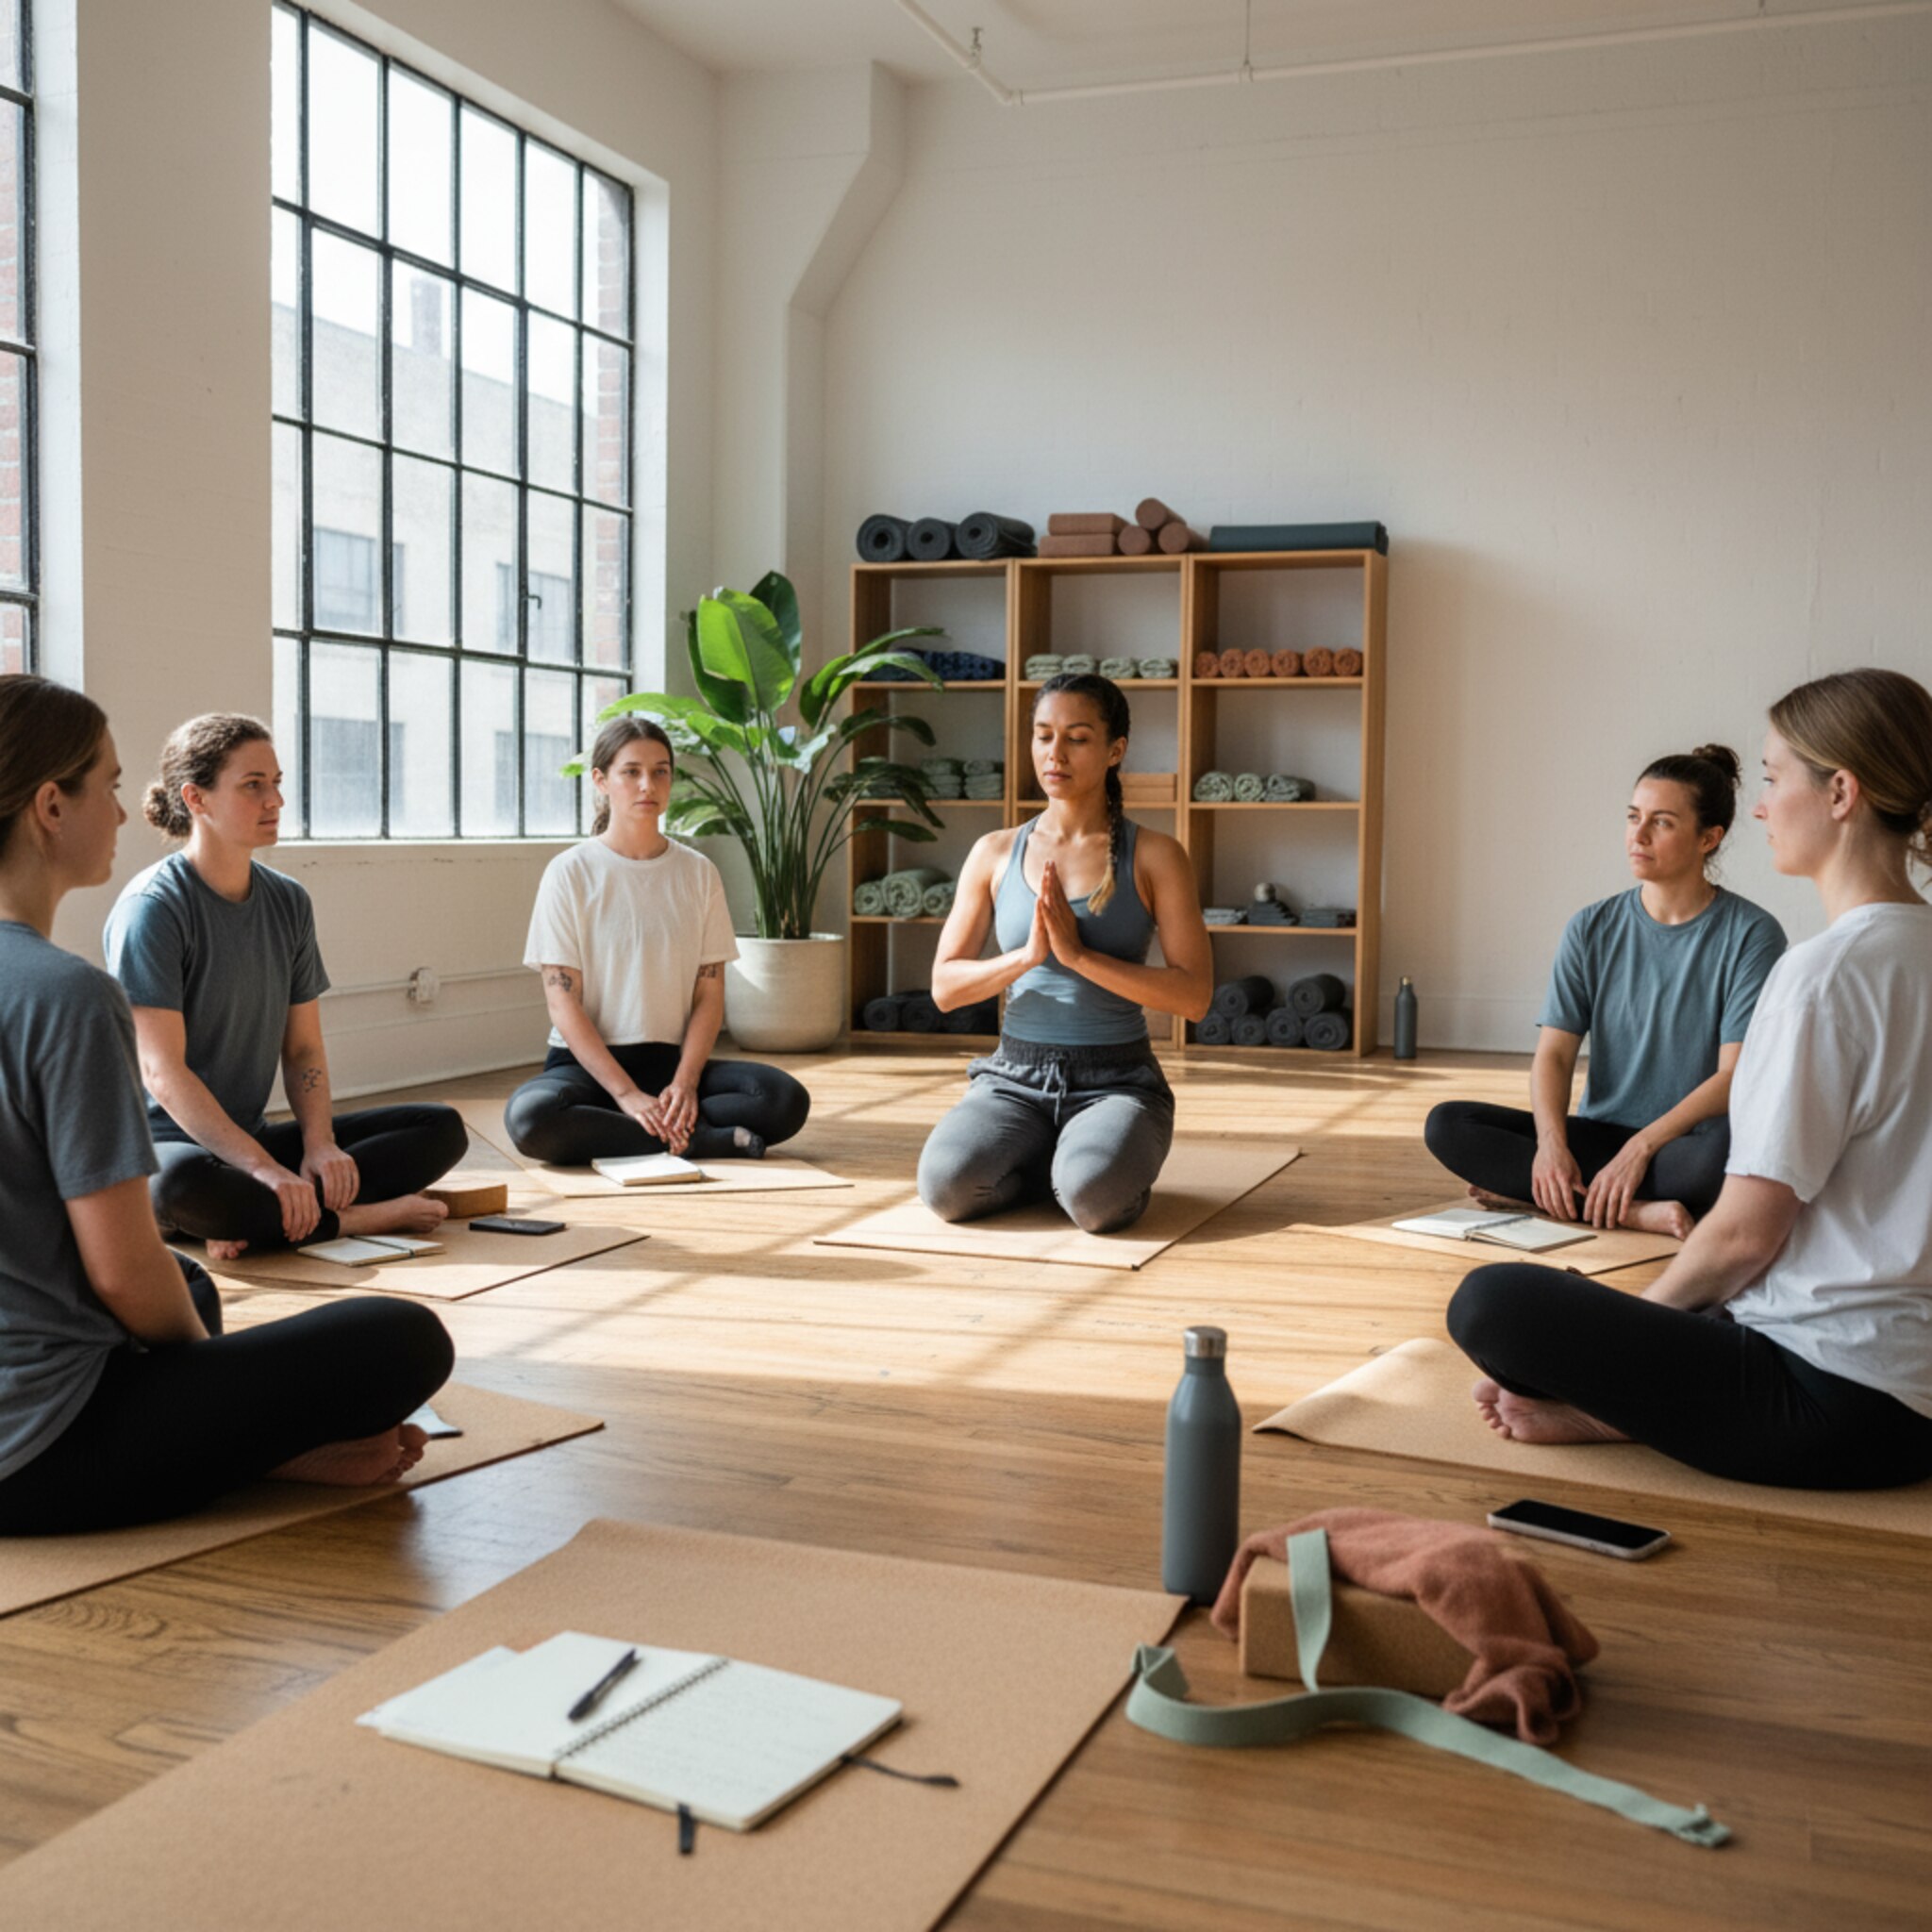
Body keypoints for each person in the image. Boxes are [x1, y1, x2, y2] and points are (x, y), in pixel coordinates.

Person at [1447, 669, 1932, 1490]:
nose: (1762, 808)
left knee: (1489, 1304)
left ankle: (1616, 1408)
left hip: (1828, 1395)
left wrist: (1617, 1344)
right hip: (1915, 1395)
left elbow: (1744, 1238)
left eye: (1774, 779)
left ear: (1841, 792)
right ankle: (1625, 1406)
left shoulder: (1820, 974)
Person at [0, 675, 452, 1535]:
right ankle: (262, 1448)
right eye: (109, 785)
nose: (125, 812)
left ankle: (254, 1438)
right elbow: (120, 1274)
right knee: (404, 1338)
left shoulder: (278, 905)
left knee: (190, 1281)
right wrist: (214, 1384)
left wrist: (311, 1147)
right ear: (51, 806)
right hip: (39, 1448)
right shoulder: (68, 995)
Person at [104, 714, 466, 1261]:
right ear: (196, 798)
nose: (275, 800)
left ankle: (258, 1217)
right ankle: (349, 1219)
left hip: (248, 1136)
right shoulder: (153, 909)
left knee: (440, 1128)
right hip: (166, 1149)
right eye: (253, 785)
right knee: (183, 1188)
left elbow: (302, 1049)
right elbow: (163, 1074)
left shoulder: (288, 901)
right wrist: (263, 1168)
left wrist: (319, 1145)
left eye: (276, 782)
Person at [1424, 744, 1785, 1237]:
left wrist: (1641, 1147)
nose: (1638, 835)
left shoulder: (1752, 934)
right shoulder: (1590, 927)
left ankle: (1551, 1198)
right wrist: (1551, 1146)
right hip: (1598, 1136)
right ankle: (1633, 1211)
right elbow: (1554, 1055)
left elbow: (1733, 1076)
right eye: (1634, 817)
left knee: (1729, 1150)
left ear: (1709, 838)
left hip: (1684, 1144)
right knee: (1448, 1124)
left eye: (1662, 822)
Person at [917, 673, 1213, 1234]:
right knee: (946, 1187)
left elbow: (1194, 996)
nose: (1055, 753)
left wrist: (1078, 957)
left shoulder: (1156, 856)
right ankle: (1050, 1166)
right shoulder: (994, 852)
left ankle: (1078, 1168)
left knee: (1095, 1200)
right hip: (1013, 1078)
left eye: (1077, 738)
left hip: (1117, 1082)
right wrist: (1027, 957)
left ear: (1115, 751)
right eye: (1043, 735)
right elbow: (945, 987)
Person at [505, 715, 809, 1164]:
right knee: (532, 1118)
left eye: (660, 771)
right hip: (586, 1070)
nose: (648, 784)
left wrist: (685, 1083)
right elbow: (562, 1003)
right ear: (601, 781)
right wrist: (626, 1093)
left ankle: (646, 1129)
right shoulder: (569, 873)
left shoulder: (698, 872)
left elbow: (709, 994)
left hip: (671, 1066)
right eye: (631, 772)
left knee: (783, 1099)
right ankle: (698, 1138)